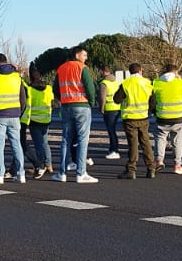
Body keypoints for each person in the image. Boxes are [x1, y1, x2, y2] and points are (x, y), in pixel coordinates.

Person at [54, 48, 100, 183]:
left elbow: (55, 88)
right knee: (82, 140)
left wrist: (62, 99)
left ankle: (62, 173)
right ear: (77, 55)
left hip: (66, 106)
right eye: (84, 55)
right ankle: (81, 173)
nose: (86, 57)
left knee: (65, 140)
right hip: (81, 105)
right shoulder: (82, 68)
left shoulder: (61, 68)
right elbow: (90, 87)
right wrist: (91, 102)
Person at [0, 53, 27, 183]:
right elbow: (23, 98)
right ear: (6, 62)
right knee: (16, 144)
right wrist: (20, 111)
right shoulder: (16, 77)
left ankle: (0, 175)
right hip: (14, 114)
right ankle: (21, 174)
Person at [116, 62, 158, 179]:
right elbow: (153, 102)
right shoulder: (148, 83)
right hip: (143, 117)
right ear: (141, 70)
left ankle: (131, 169)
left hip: (130, 118)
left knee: (133, 144)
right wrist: (148, 109)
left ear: (130, 72)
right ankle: (151, 169)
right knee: (146, 142)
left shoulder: (126, 84)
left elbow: (117, 99)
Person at [152, 63, 182, 175]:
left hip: (162, 117)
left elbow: (151, 102)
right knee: (177, 142)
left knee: (160, 139)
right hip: (178, 118)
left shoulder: (156, 83)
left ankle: (159, 160)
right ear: (176, 72)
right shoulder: (181, 83)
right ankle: (177, 165)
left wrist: (155, 112)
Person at [24, 70, 54, 178]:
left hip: (34, 120)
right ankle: (49, 164)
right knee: (45, 143)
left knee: (38, 144)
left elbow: (28, 105)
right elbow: (52, 102)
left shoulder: (30, 89)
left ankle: (40, 166)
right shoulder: (49, 88)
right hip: (46, 119)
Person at [99, 66, 122, 159]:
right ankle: (113, 148)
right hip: (117, 108)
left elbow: (102, 97)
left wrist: (101, 108)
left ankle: (114, 149)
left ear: (104, 72)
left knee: (111, 130)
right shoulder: (116, 82)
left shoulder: (104, 83)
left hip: (108, 109)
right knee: (113, 130)